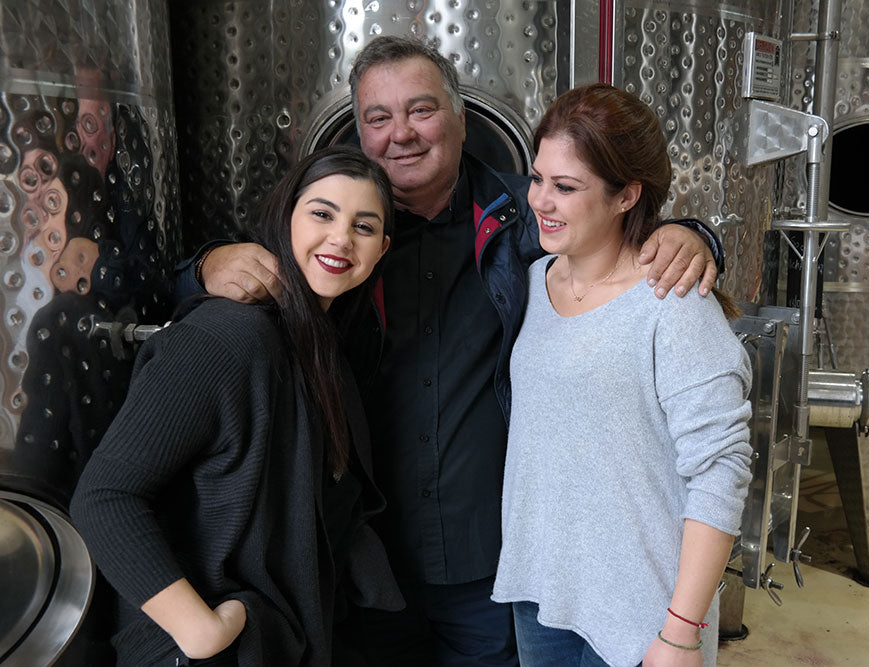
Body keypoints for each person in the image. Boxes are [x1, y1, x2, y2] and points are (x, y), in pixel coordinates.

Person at [184, 36, 724, 665]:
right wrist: (204, 265)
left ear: (462, 117)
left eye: (421, 110)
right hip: (364, 557)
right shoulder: (333, 236)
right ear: (358, 132)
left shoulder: (526, 218)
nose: (401, 134)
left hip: (489, 566)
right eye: (378, 118)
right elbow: (245, 279)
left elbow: (611, 231)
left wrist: (693, 234)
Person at [70, 146, 403, 666]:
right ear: (285, 218)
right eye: (322, 213)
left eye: (363, 226)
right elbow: (104, 497)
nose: (341, 238)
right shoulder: (228, 336)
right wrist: (201, 632)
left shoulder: (321, 343)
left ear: (381, 249)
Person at [491, 83, 752, 667]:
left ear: (626, 195)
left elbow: (721, 470)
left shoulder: (673, 304)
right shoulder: (529, 285)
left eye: (566, 187)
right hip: (542, 593)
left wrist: (682, 631)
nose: (540, 201)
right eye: (537, 179)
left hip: (643, 612)